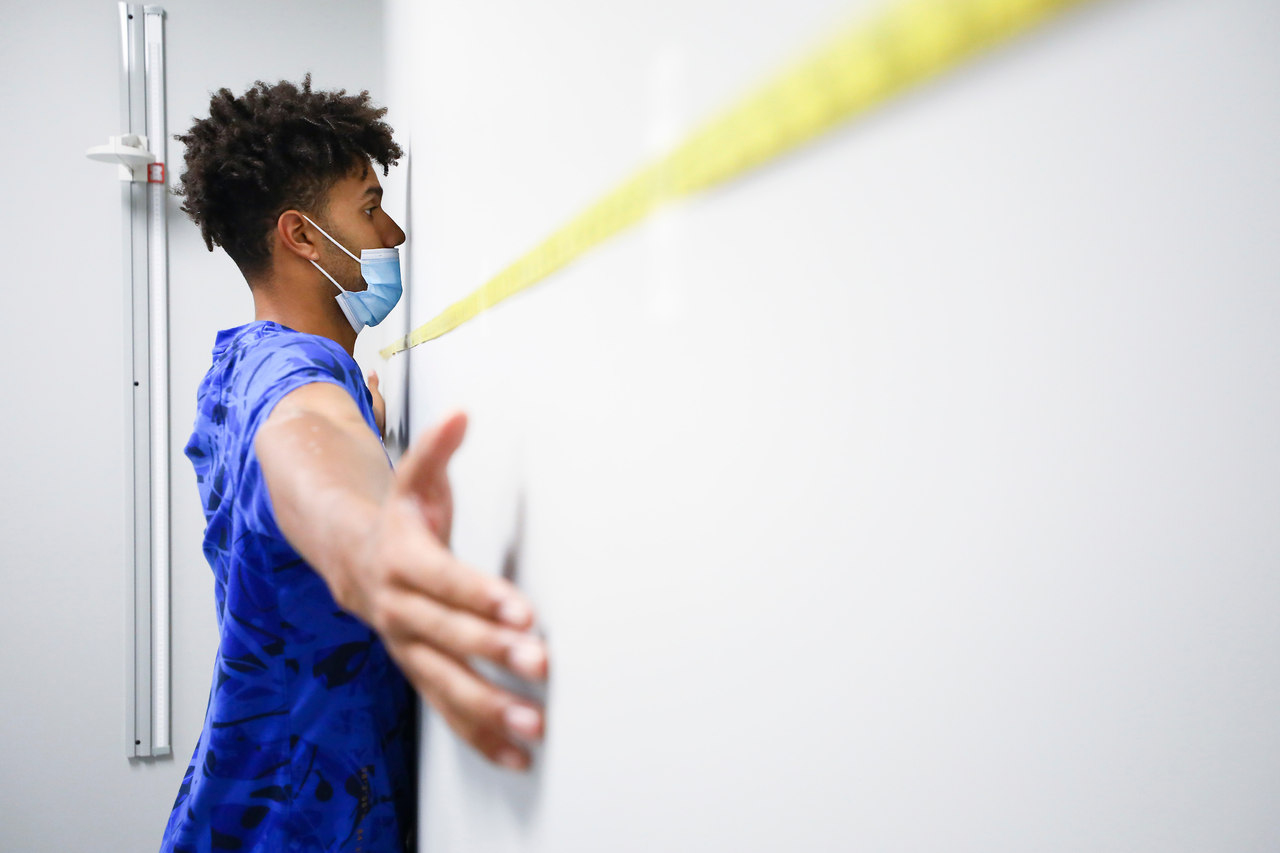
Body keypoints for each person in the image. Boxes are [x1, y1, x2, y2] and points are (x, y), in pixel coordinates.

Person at [159, 76, 549, 853]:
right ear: (301, 236)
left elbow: (306, 439)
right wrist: (369, 543)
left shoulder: (241, 361)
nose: (395, 233)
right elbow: (300, 437)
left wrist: (363, 436)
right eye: (369, 208)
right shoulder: (291, 377)